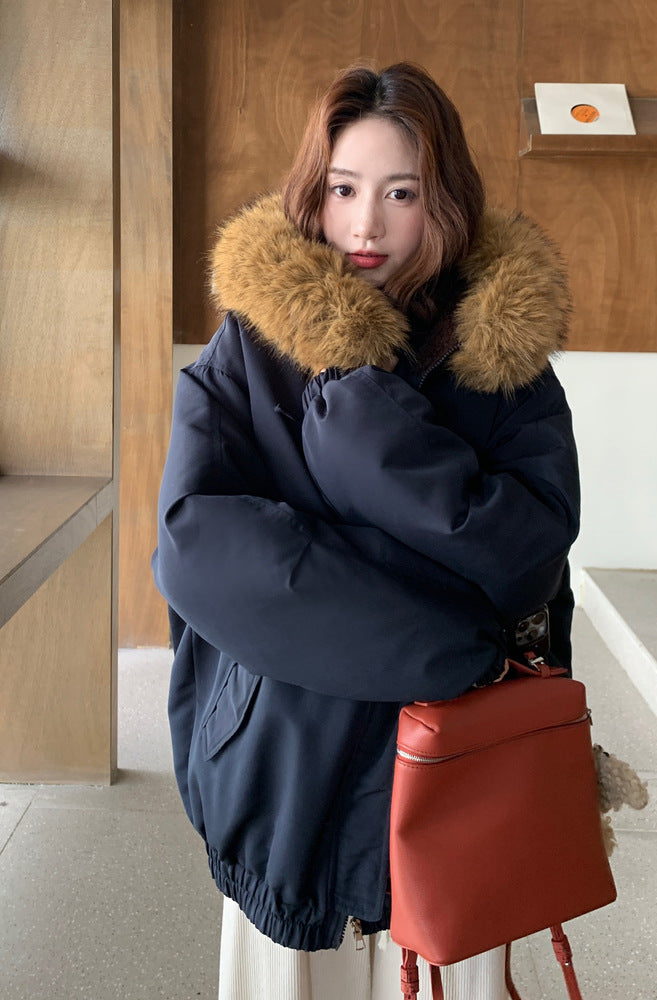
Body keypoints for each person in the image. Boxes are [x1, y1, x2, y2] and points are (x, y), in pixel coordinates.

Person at [153, 62, 580, 1000]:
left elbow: (529, 553)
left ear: (445, 202)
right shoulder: (249, 347)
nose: (366, 227)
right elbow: (199, 545)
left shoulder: (501, 358)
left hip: (462, 782)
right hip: (285, 778)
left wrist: (378, 445)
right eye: (344, 190)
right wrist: (441, 640)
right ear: (313, 190)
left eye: (401, 194)